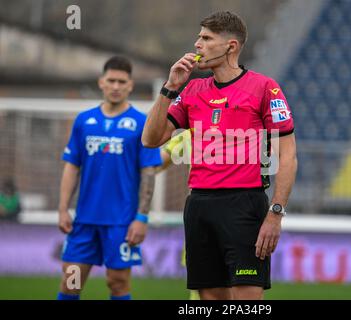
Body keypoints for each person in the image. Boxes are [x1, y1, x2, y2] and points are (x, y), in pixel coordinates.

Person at [142, 11, 298, 300]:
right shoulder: (191, 90)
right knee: (210, 299)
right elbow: (151, 139)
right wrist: (170, 87)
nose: (197, 44)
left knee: (246, 300)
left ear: (231, 46)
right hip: (199, 205)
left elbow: (287, 157)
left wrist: (275, 214)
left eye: (206, 38)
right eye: (199, 37)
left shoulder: (265, 88)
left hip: (244, 204)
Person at [57, 56, 162, 300]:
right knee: (70, 281)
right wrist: (63, 209)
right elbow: (72, 166)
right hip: (84, 220)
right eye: (111, 80)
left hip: (121, 222)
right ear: (101, 82)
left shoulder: (141, 123)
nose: (116, 86)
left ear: (130, 85)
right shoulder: (84, 121)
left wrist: (142, 217)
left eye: (121, 82)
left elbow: (149, 172)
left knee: (117, 283)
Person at [157, 130, 200, 300]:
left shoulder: (245, 130)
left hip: (239, 218)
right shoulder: (190, 134)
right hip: (202, 218)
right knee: (200, 287)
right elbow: (156, 163)